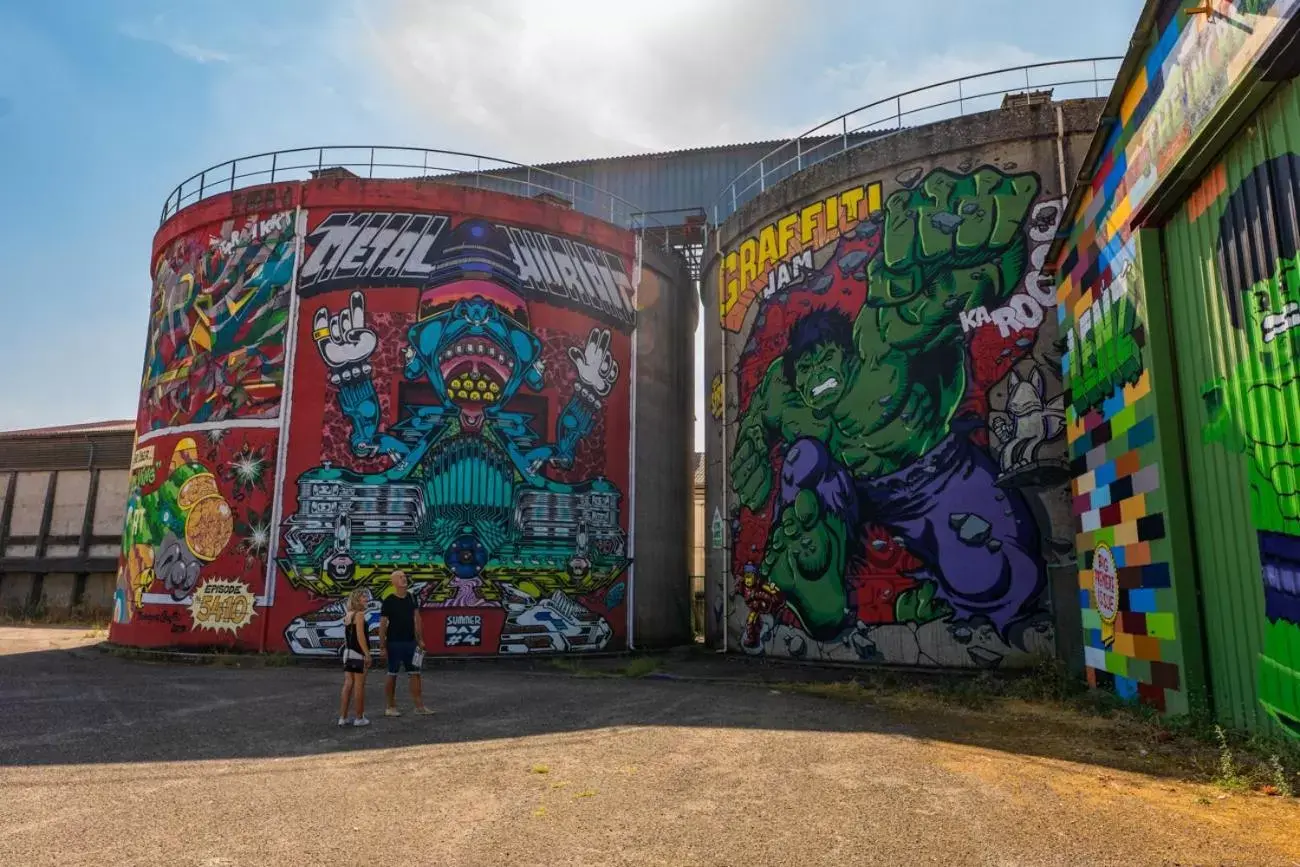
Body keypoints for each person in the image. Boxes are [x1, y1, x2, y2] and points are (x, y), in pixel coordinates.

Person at [379, 570, 433, 716]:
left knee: (415, 673)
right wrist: (382, 645)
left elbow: (417, 619)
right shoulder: (389, 600)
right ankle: (390, 707)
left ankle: (419, 706)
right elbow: (383, 624)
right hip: (394, 642)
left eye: (404, 577)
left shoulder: (412, 597)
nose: (404, 579)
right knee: (392, 674)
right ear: (394, 582)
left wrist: (420, 640)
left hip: (411, 643)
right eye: (400, 577)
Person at [338, 589, 371, 727]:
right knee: (359, 686)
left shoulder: (348, 615)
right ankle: (359, 717)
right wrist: (367, 654)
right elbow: (360, 636)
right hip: (358, 653)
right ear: (357, 599)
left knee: (348, 684)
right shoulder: (360, 615)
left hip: (348, 653)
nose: (367, 599)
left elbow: (347, 638)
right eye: (364, 597)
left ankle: (343, 717)